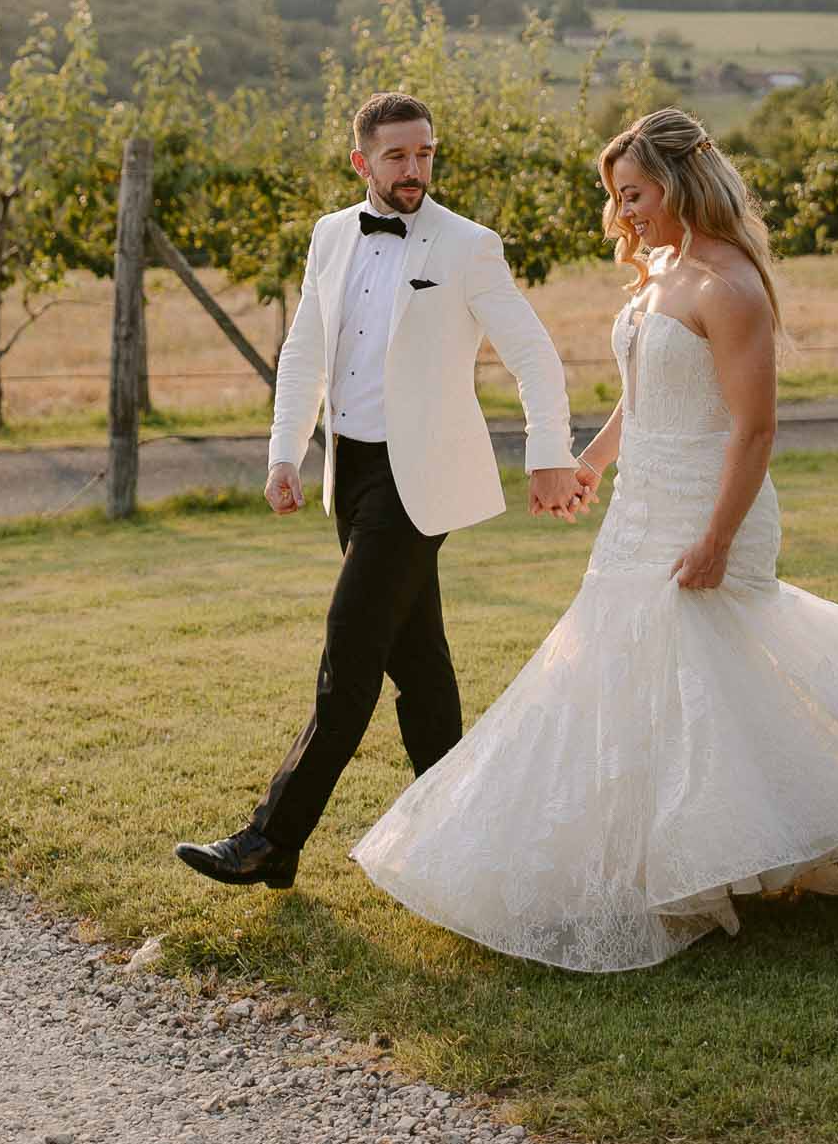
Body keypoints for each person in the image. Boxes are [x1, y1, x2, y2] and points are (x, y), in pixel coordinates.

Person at [353, 108, 838, 970]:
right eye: (616, 198)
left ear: (678, 184)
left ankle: (713, 859)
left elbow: (754, 431)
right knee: (628, 673)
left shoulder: (730, 286)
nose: (623, 214)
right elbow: (649, 393)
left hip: (708, 505)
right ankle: (665, 855)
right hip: (641, 503)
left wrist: (714, 540)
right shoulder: (663, 268)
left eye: (633, 194)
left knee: (686, 673)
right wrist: (590, 460)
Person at [175, 89, 585, 891]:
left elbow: (533, 354)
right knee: (419, 666)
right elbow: (304, 351)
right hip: (352, 472)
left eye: (425, 153)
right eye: (396, 156)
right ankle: (465, 838)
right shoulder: (330, 234)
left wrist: (546, 453)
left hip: (419, 476)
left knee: (350, 654)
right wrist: (284, 453)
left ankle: (267, 838)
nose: (413, 169)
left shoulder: (468, 245)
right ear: (360, 161)